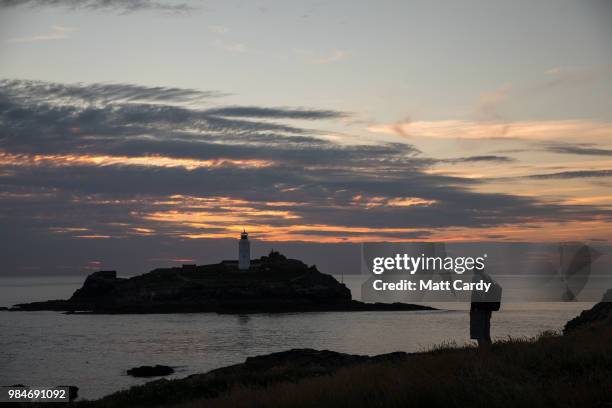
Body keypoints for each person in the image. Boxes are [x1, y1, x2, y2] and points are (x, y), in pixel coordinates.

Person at [470, 269, 502, 349]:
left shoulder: (476, 277)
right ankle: (489, 351)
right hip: (487, 308)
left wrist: (473, 309)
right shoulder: (488, 277)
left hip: (479, 308)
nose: (473, 269)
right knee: (486, 333)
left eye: (474, 267)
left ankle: (483, 352)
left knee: (479, 334)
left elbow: (480, 293)